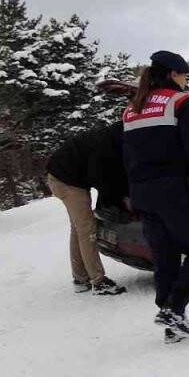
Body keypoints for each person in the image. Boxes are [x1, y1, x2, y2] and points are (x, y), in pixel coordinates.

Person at [122, 51, 189, 343]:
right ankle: (175, 309)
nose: (186, 80)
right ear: (172, 74)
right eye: (184, 75)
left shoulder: (132, 108)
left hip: (143, 193)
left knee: (165, 256)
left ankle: (171, 324)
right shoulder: (183, 103)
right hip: (177, 192)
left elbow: (126, 157)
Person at [44, 121, 128, 295]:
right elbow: (101, 179)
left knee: (79, 228)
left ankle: (80, 278)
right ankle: (98, 281)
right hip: (66, 181)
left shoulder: (110, 137)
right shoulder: (106, 146)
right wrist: (115, 202)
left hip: (62, 177)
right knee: (87, 229)